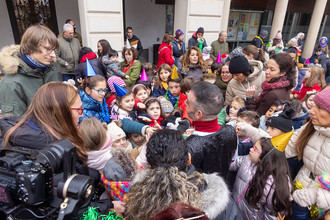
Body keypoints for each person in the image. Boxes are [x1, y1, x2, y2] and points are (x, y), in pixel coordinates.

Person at [0, 82, 121, 215]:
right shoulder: (52, 154)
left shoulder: (24, 133)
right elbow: (68, 209)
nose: (82, 115)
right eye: (79, 110)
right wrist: (108, 207)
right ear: (61, 113)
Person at [285, 87, 330, 219]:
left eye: (320, 108)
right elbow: (287, 147)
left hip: (319, 209)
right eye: (313, 106)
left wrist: (313, 196)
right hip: (296, 192)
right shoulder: (312, 127)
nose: (311, 111)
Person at [0, 25, 60, 116]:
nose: (53, 55)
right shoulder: (11, 83)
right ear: (31, 48)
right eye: (48, 49)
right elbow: (14, 125)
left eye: (54, 50)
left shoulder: (52, 69)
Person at [231, 137, 292, 219]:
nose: (251, 149)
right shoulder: (247, 159)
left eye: (255, 149)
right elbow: (233, 164)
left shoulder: (274, 184)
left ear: (265, 157)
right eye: (253, 146)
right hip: (233, 209)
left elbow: (271, 215)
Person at [185, 81, 237, 177]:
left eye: (188, 103)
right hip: (223, 186)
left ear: (198, 114)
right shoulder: (230, 131)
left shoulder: (189, 147)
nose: (185, 103)